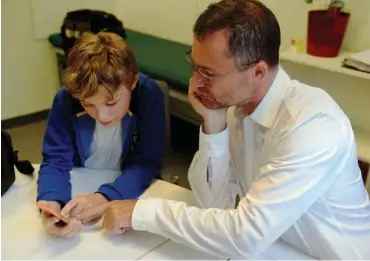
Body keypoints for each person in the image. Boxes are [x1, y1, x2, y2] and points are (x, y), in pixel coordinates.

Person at [80, 0, 370, 259]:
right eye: (195, 66)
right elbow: (215, 204)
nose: (196, 81)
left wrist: (141, 212)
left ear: (257, 71)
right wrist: (214, 124)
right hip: (274, 247)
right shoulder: (238, 109)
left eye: (208, 73)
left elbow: (245, 235)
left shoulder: (312, 125)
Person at [36, 32, 165, 238]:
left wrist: (104, 197)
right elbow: (55, 160)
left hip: (129, 190)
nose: (102, 116)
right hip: (81, 185)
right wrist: (52, 205)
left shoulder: (149, 95)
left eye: (111, 102)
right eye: (88, 104)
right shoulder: (66, 98)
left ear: (133, 82)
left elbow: (146, 163)